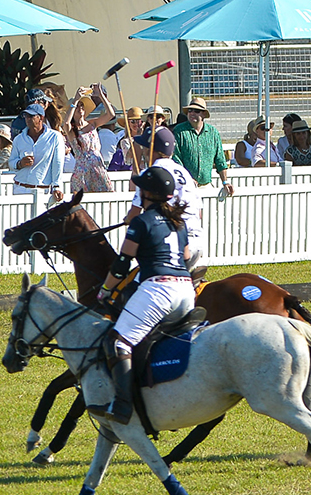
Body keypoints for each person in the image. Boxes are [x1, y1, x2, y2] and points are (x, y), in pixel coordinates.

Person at [87, 166, 196, 423]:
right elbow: (187, 255)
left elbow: (122, 263)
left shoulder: (141, 221)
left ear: (148, 193)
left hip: (159, 290)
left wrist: (104, 291)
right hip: (186, 290)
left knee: (117, 342)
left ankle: (123, 407)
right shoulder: (178, 222)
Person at [122, 127, 204, 267]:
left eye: (146, 147)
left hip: (172, 242)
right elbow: (199, 213)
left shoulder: (150, 174)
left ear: (153, 150)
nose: (144, 151)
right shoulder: (184, 172)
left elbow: (134, 214)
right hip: (197, 242)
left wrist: (128, 219)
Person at [174, 97, 234, 196]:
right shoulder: (179, 131)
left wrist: (225, 182)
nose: (192, 113)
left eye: (196, 111)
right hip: (184, 186)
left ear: (204, 114)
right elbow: (176, 158)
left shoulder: (213, 132)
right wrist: (187, 178)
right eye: (190, 110)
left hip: (206, 186)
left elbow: (220, 160)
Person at [63, 86, 117, 194]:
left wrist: (101, 95)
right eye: (77, 107)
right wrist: (76, 99)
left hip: (97, 166)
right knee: (82, 200)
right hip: (82, 170)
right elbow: (66, 123)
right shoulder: (72, 131)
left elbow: (111, 114)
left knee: (107, 195)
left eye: (82, 106)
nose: (80, 109)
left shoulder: (92, 124)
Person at [10, 104, 65, 200]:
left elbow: (58, 163)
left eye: (31, 116)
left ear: (41, 118)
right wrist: (20, 163)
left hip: (42, 191)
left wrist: (56, 186)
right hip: (19, 189)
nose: (27, 119)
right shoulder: (19, 138)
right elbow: (11, 162)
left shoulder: (55, 137)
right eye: (26, 116)